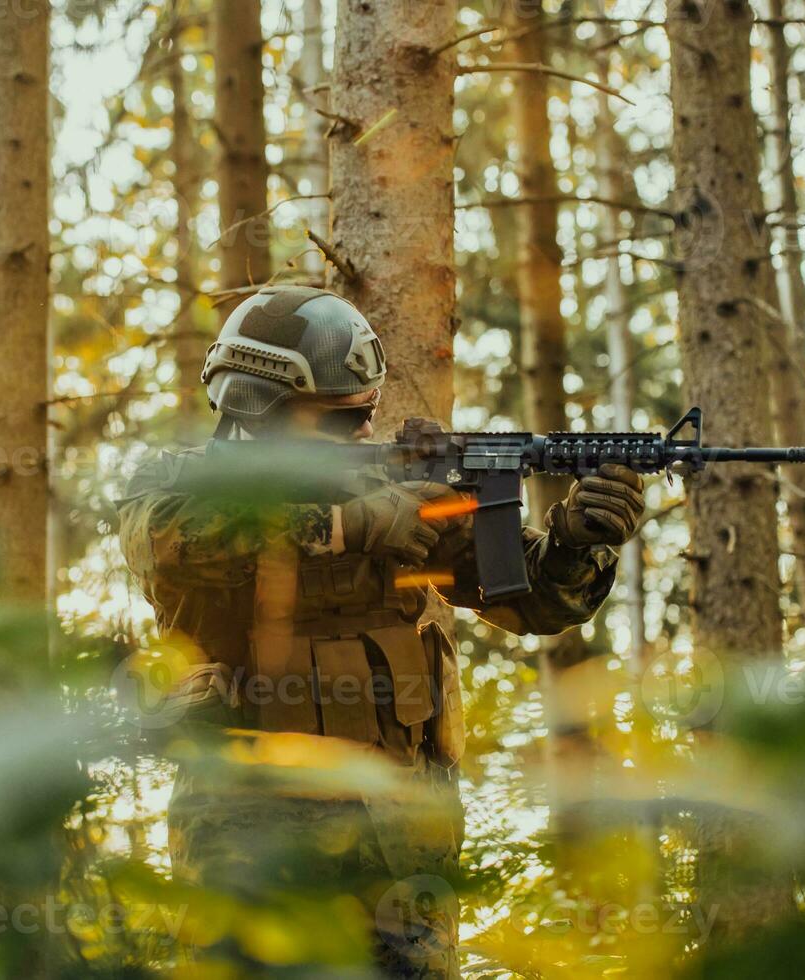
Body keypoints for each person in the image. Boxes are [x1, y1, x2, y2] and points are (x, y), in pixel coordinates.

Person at [117, 285, 645, 977]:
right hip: (248, 851)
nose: (365, 431)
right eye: (340, 420)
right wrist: (350, 526)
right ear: (258, 408)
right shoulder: (179, 484)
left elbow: (533, 603)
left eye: (366, 413)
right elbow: (174, 544)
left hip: (402, 859)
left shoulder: (405, 493)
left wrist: (578, 541)